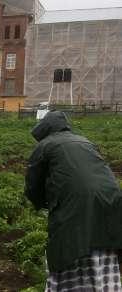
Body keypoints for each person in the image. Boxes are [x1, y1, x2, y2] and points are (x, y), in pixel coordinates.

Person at [24, 111, 122, 291]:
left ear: (45, 129)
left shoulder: (45, 145)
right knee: (102, 242)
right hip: (111, 199)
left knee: (70, 245)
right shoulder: (86, 142)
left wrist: (43, 203)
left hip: (77, 203)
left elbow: (32, 186)